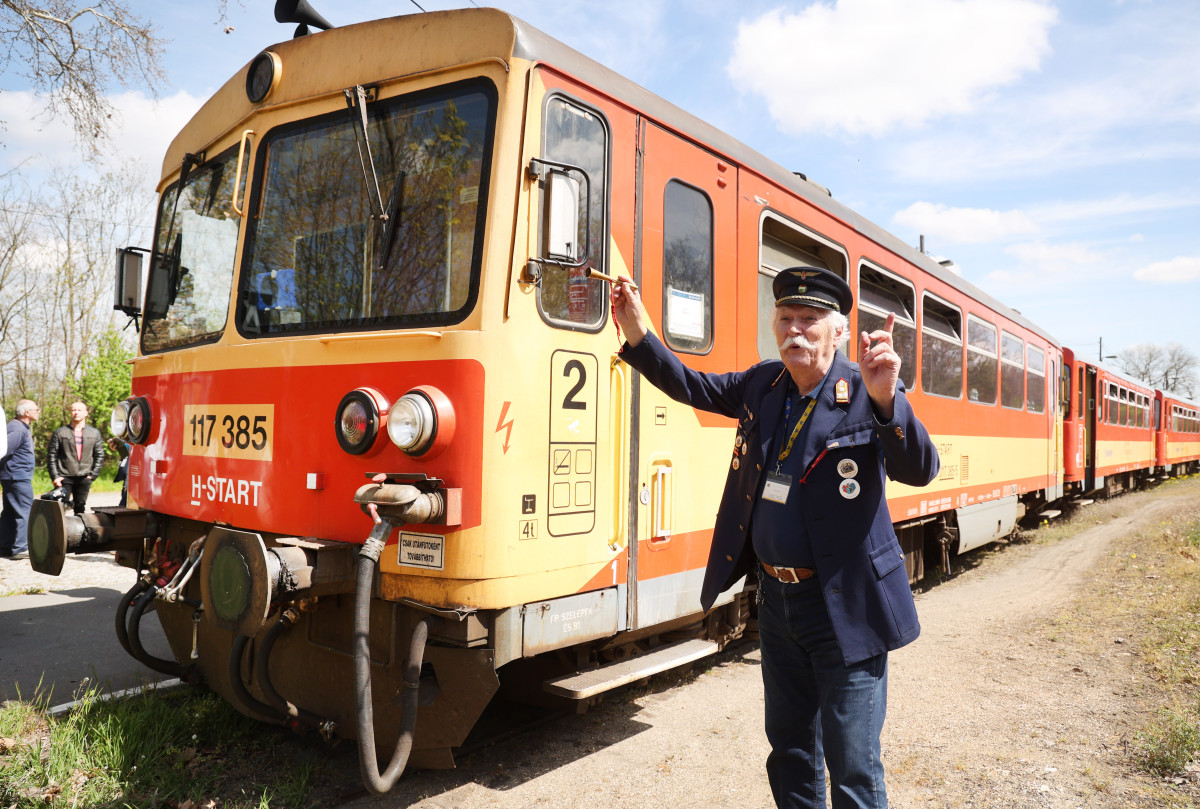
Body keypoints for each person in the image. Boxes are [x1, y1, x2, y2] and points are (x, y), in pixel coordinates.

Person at [611, 267, 940, 809]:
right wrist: (640, 334)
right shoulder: (763, 385)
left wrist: (888, 403)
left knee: (853, 763)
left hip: (846, 606)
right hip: (779, 601)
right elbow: (693, 386)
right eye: (785, 319)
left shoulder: (868, 388)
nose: (795, 331)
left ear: (837, 331)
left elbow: (920, 468)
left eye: (810, 321)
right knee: (789, 751)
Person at [48, 401, 106, 516]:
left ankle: (80, 532)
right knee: (60, 507)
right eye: (74, 410)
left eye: (79, 410)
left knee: (80, 507)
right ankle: (61, 532)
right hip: (64, 476)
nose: (76, 413)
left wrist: (93, 475)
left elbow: (99, 455)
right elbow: (52, 455)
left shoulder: (94, 433)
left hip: (85, 476)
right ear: (70, 412)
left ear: (86, 413)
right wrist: (55, 476)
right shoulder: (60, 432)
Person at [1, 399, 41, 559]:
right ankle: (21, 547)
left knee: (10, 512)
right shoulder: (17, 428)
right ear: (27, 412)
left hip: (14, 476)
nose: (38, 411)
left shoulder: (18, 427)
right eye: (36, 409)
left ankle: (5, 546)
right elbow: (5, 450)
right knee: (25, 511)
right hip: (16, 476)